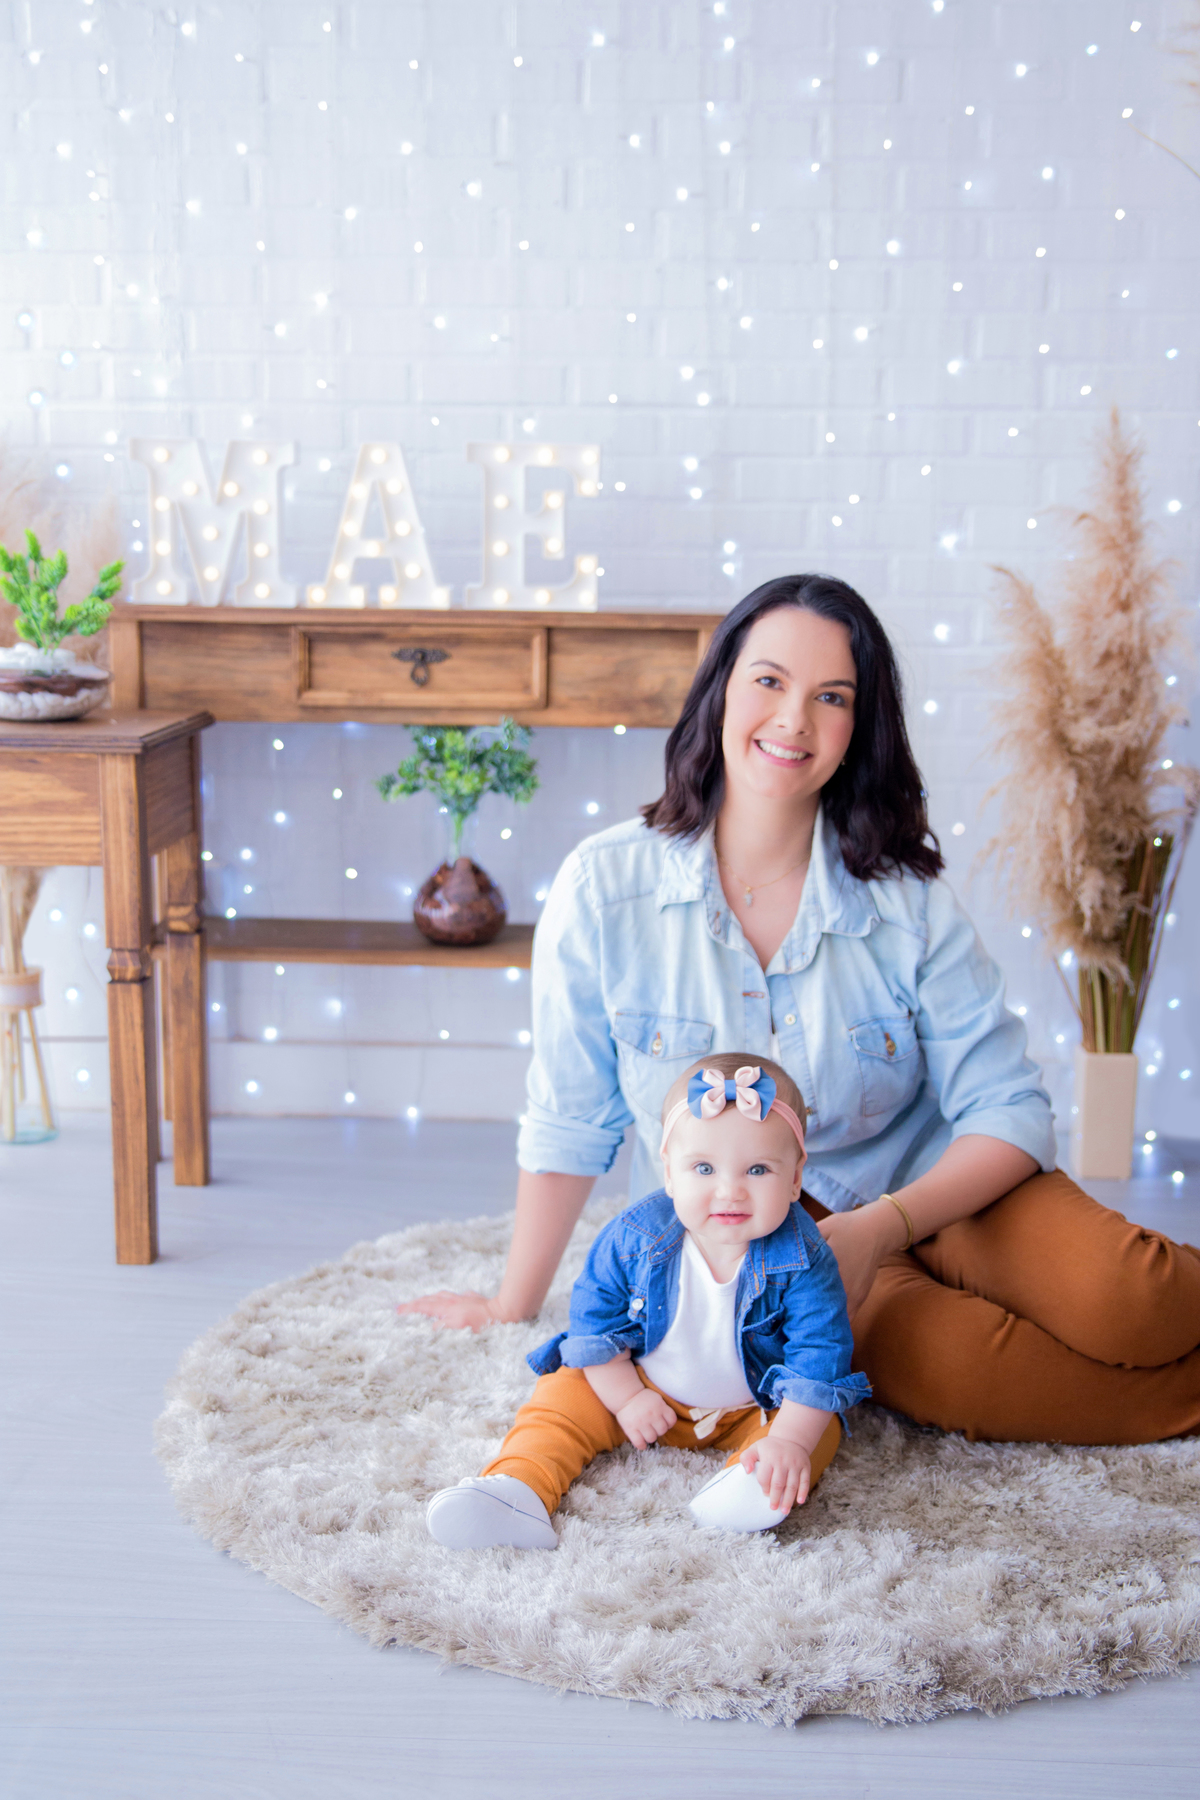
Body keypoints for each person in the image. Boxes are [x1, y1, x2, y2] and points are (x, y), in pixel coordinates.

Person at [401, 574, 1200, 1447]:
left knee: (1136, 1302)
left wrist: (885, 1226)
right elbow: (569, 1117)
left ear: (858, 730)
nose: (794, 721)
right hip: (765, 1248)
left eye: (832, 697)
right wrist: (510, 1302)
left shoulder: (905, 901)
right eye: (770, 682)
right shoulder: (605, 888)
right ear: (721, 692)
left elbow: (1008, 1106)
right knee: (966, 1370)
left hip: (939, 1188)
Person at [426, 1055, 872, 1550]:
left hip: (751, 1404)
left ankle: (747, 1483)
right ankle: (517, 1488)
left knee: (815, 1427)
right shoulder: (636, 1235)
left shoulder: (806, 1259)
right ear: (670, 1172)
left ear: (795, 1178)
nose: (730, 1190)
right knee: (562, 1396)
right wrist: (626, 1396)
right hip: (639, 1380)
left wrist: (789, 1440)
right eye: (703, 1167)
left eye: (758, 1169)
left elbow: (818, 1357)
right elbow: (594, 1321)